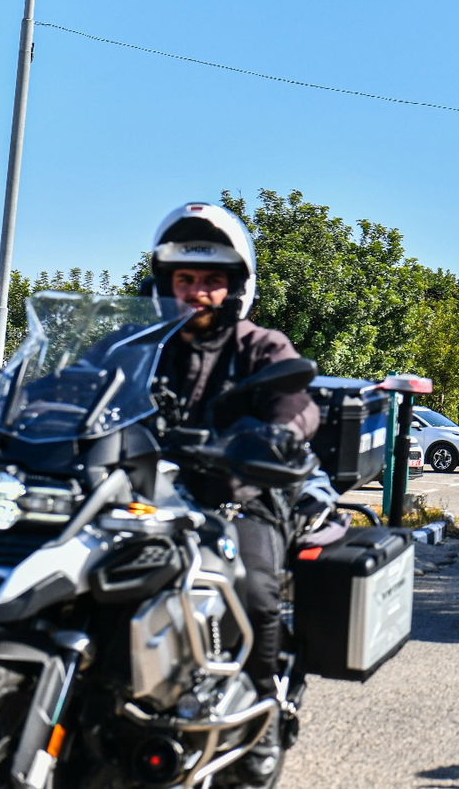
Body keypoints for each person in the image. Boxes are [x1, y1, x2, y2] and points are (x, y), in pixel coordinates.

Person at [150, 202, 326, 787]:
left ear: (235, 286)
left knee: (250, 587)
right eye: (186, 280)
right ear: (166, 284)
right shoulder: (138, 346)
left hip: (238, 495)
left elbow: (296, 402)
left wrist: (277, 432)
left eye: (212, 281)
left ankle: (261, 708)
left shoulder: (261, 346)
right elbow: (76, 387)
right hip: (145, 498)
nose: (198, 292)